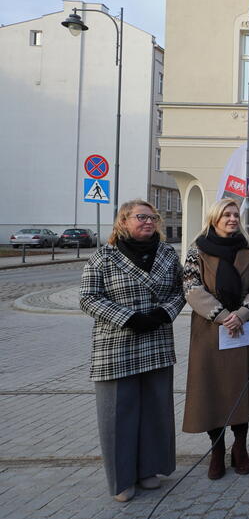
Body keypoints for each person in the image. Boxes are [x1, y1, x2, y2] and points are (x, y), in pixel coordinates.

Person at [80, 199, 185, 502]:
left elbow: (180, 290)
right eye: (141, 217)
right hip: (117, 343)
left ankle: (148, 470)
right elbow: (88, 298)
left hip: (156, 340)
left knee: (155, 411)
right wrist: (128, 318)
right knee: (119, 414)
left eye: (153, 218)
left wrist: (166, 313)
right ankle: (122, 479)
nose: (149, 222)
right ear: (123, 221)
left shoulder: (166, 254)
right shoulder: (103, 256)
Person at [181, 198, 249, 480]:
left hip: (244, 328)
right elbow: (191, 288)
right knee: (213, 390)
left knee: (244, 388)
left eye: (235, 214)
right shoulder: (198, 249)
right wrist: (222, 316)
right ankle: (217, 449)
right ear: (214, 218)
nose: (232, 219)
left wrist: (242, 314)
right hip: (211, 329)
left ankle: (240, 447)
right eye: (226, 214)